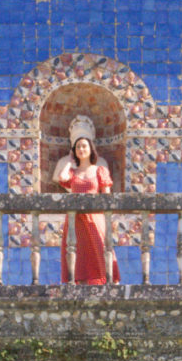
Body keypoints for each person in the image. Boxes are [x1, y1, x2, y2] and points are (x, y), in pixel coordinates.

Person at [54, 115, 120, 285]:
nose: (81, 149)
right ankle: (80, 282)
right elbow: (61, 177)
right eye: (77, 147)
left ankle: (108, 281)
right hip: (76, 221)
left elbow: (106, 196)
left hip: (95, 217)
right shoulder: (72, 173)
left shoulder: (100, 169)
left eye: (84, 146)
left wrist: (110, 218)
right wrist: (70, 161)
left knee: (100, 248)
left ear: (90, 148)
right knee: (80, 253)